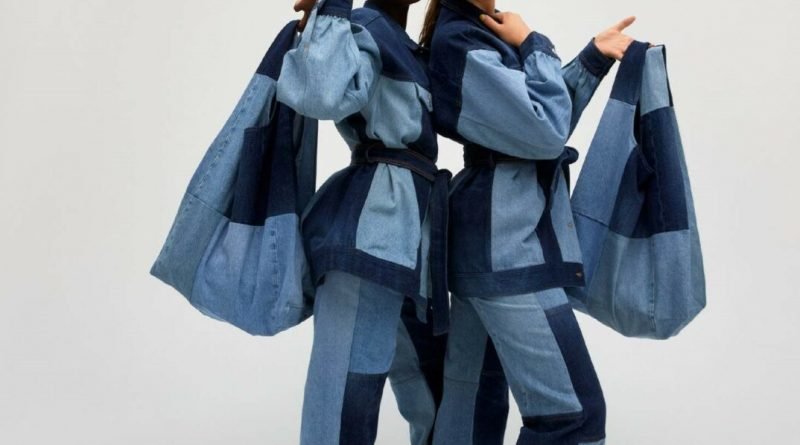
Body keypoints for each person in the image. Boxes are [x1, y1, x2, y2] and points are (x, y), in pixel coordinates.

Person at [419, 0, 637, 443]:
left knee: (472, 406)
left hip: (493, 241)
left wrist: (593, 57)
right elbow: (545, 131)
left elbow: (533, 123)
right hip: (506, 246)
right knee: (573, 418)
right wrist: (533, 43)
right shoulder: (461, 41)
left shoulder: (475, 33)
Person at [277, 0, 453, 443]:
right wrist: (333, 12)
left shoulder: (411, 47)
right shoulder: (363, 26)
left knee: (439, 393)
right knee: (344, 401)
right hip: (369, 236)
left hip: (413, 242)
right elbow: (318, 92)